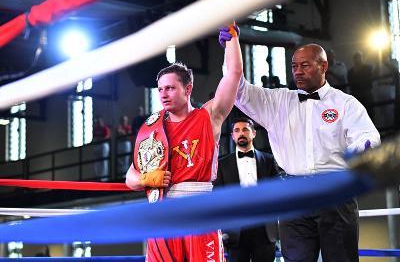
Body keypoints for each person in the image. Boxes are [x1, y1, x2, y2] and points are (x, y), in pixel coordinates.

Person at [219, 31, 380, 262]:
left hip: (335, 190)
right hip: (293, 193)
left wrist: (358, 151)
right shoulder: (278, 102)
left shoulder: (345, 103)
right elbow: (239, 89)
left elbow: (368, 135)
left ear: (324, 66)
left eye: (305, 65)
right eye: (294, 66)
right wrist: (231, 46)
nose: (297, 71)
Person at [125, 23, 243, 262]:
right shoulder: (152, 129)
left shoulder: (209, 117)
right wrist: (146, 179)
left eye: (170, 88)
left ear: (188, 89)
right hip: (163, 209)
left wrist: (232, 38)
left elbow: (233, 75)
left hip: (200, 207)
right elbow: (130, 177)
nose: (163, 94)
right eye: (160, 89)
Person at [213, 117, 278, 262]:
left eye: (245, 130)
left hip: (265, 230)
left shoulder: (269, 160)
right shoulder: (222, 164)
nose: (241, 133)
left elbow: (277, 193)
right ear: (232, 136)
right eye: (237, 130)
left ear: (254, 133)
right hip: (235, 231)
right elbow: (218, 198)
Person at [347, 51, 375, 119]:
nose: (358, 60)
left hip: (365, 92)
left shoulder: (368, 68)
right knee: (357, 114)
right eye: (357, 58)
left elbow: (371, 77)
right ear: (354, 60)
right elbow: (350, 82)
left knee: (369, 112)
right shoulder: (351, 71)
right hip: (357, 93)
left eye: (359, 58)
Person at [93, 116, 111, 181]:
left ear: (102, 122)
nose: (98, 123)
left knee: (104, 161)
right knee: (97, 162)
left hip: (104, 145)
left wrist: (99, 139)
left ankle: (104, 177)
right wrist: (99, 139)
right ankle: (98, 176)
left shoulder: (105, 128)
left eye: (100, 121)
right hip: (97, 145)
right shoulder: (95, 129)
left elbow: (106, 138)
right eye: (97, 122)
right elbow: (94, 138)